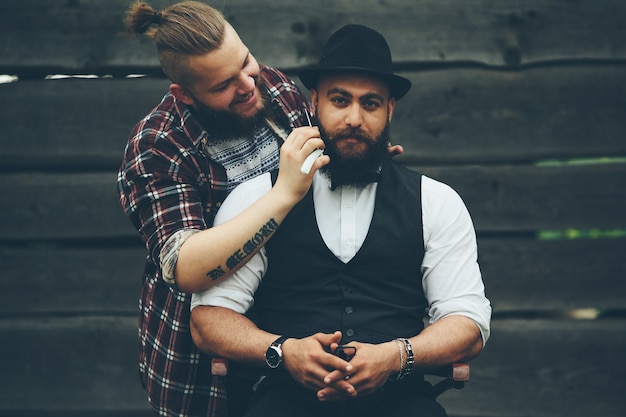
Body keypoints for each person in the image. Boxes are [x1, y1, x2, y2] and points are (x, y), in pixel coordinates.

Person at [190, 24, 492, 417]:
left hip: (401, 402)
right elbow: (209, 320)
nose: (354, 118)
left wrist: (396, 356)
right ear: (314, 103)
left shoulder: (436, 202)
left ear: (390, 110)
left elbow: (467, 322)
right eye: (339, 100)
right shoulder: (259, 202)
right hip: (286, 400)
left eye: (370, 103)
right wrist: (284, 351)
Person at [117, 1, 333, 416]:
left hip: (295, 321)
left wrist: (352, 155)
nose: (249, 85)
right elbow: (187, 266)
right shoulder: (157, 146)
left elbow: (317, 166)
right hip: (203, 360)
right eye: (222, 86)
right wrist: (283, 194)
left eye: (246, 61)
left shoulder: (276, 89)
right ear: (185, 94)